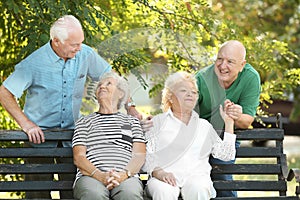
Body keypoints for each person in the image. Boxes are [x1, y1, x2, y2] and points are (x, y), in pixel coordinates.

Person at [0, 15, 139, 199]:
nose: (79, 48)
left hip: (71, 137)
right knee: (37, 194)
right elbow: (5, 92)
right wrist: (26, 124)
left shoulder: (85, 54)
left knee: (72, 192)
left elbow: (113, 78)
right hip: (39, 138)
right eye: (74, 44)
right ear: (56, 41)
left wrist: (130, 106)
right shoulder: (34, 63)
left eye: (80, 43)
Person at [142, 71, 236, 200]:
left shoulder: (204, 126)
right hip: (163, 178)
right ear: (170, 96)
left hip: (196, 178)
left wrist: (229, 123)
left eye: (193, 92)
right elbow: (147, 154)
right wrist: (159, 172)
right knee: (164, 191)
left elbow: (226, 155)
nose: (190, 95)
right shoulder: (157, 122)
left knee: (198, 188)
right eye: (183, 90)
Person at [194, 40, 261, 197]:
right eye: (219, 59)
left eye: (230, 61)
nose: (223, 66)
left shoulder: (250, 78)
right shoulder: (201, 78)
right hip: (200, 135)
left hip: (226, 136)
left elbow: (246, 121)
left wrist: (235, 116)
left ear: (242, 65)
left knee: (222, 176)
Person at [72, 71, 146, 200]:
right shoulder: (84, 122)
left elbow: (139, 155)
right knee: (93, 194)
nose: (102, 86)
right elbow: (79, 157)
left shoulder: (130, 122)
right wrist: (100, 176)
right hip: (91, 176)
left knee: (130, 194)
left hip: (125, 176)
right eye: (100, 84)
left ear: (121, 93)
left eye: (109, 84)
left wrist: (124, 175)